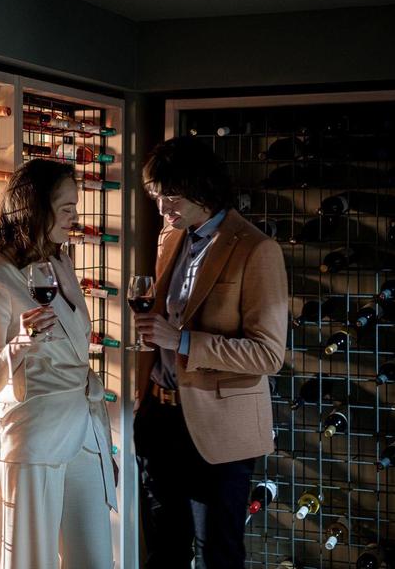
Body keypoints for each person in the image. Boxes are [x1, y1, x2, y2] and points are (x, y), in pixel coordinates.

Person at [132, 136, 288, 568]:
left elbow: (267, 355)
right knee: (163, 551)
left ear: (204, 189)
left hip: (219, 434)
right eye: (157, 199)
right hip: (159, 421)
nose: (164, 211)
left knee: (217, 556)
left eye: (173, 199)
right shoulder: (171, 238)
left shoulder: (257, 250)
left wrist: (180, 340)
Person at [0, 159, 116, 569]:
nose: (75, 217)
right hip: (32, 439)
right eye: (66, 207)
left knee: (97, 559)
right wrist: (19, 342)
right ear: (35, 208)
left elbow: (75, 342)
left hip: (84, 433)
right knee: (29, 562)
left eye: (75, 207)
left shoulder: (60, 266)